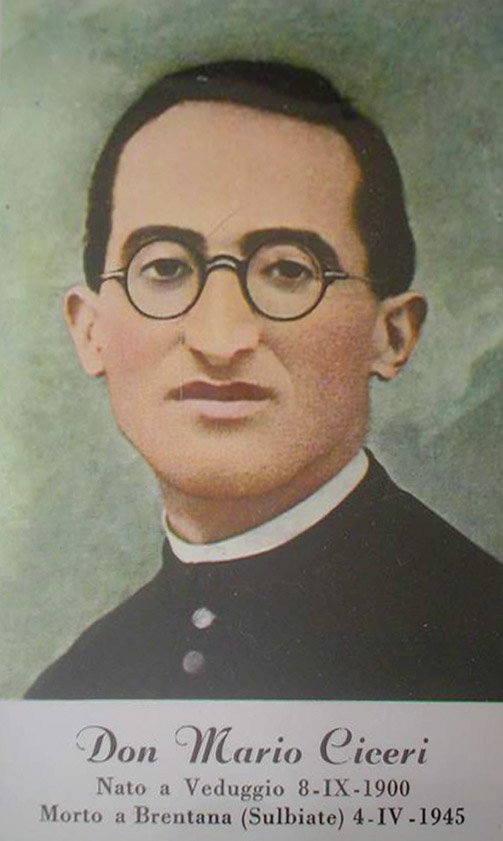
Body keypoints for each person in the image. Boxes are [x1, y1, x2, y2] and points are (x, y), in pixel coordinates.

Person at [26, 60, 503, 701]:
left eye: (288, 271)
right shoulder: (72, 694)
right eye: (165, 268)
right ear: (90, 332)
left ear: (391, 334)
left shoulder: (484, 644)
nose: (220, 340)